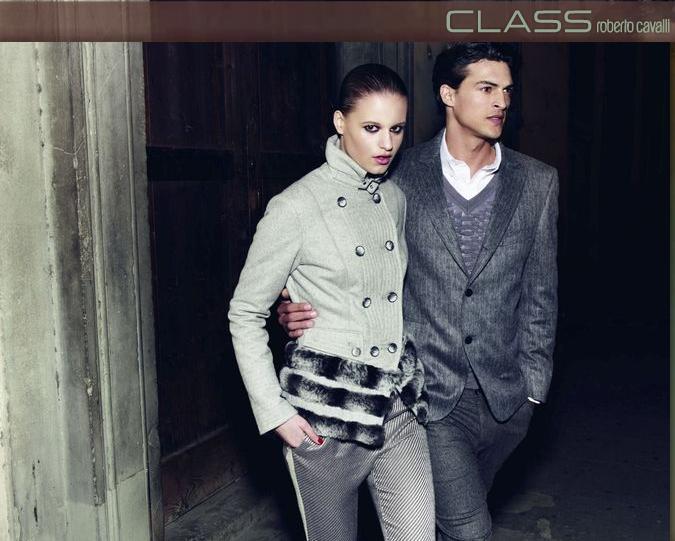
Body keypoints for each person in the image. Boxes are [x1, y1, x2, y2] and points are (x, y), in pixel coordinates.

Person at [278, 43, 559, 541]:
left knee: (454, 517)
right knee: (470, 528)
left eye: (507, 90)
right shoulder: (396, 174)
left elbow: (542, 293)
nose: (501, 101)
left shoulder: (538, 182)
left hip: (507, 400)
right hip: (428, 395)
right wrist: (295, 302)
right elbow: (348, 260)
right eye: (487, 88)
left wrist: (533, 388)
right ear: (449, 94)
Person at [228, 63, 435, 541]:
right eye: (371, 128)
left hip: (396, 407)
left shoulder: (394, 200)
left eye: (397, 129)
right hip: (328, 417)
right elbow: (245, 312)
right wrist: (276, 413)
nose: (387, 143)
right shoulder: (295, 206)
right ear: (340, 122)